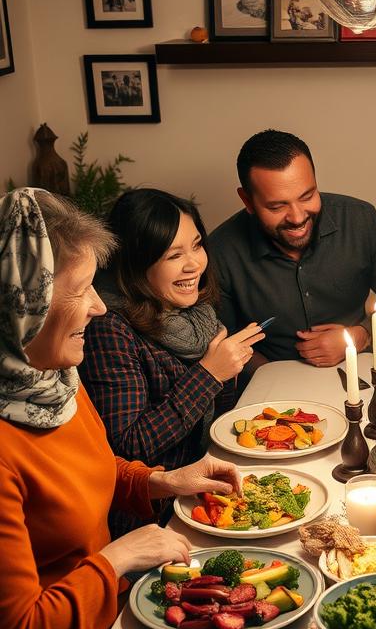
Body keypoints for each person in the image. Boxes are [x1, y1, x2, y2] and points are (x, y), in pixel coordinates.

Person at [0, 189, 243, 629]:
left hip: (113, 608)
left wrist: (160, 480)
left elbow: (96, 465)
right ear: (25, 303)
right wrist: (117, 558)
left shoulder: (51, 381)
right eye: (82, 290)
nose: (100, 306)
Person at [80, 189, 265, 535]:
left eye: (197, 245)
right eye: (173, 255)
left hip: (201, 490)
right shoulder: (108, 327)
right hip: (149, 520)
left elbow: (214, 423)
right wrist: (209, 374)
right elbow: (127, 446)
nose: (194, 263)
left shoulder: (196, 314)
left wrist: (228, 372)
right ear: (137, 264)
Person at [208, 129, 376, 367]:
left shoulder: (360, 219)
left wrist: (361, 335)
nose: (297, 217)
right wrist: (271, 382)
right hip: (271, 380)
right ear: (247, 201)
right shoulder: (219, 251)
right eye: (276, 206)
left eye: (307, 196)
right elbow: (223, 342)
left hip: (362, 368)